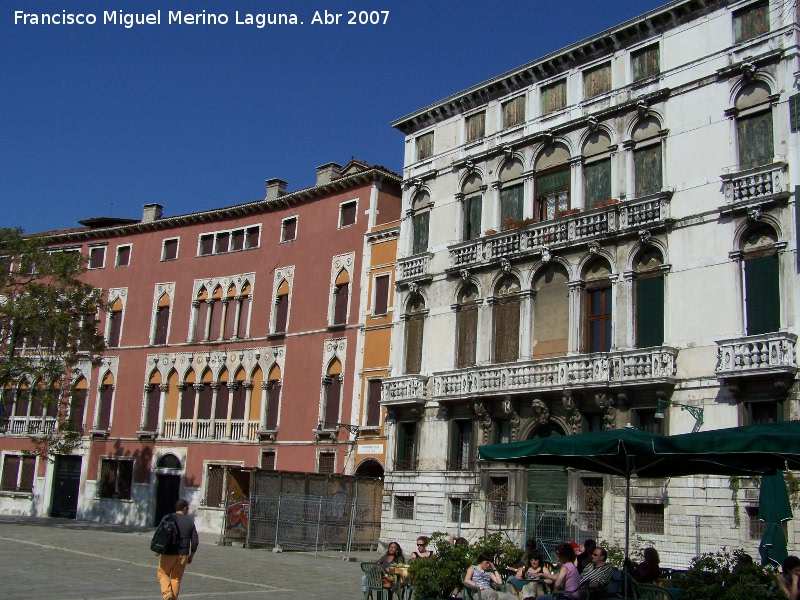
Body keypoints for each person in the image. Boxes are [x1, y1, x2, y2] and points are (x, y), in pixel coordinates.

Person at [155, 499, 199, 600]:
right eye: (187, 508)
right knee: (176, 578)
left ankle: (167, 594)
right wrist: (191, 555)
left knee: (162, 573)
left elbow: (159, 534)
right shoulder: (189, 522)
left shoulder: (168, 518)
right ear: (184, 508)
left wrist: (157, 550)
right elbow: (195, 541)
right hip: (183, 554)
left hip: (168, 552)